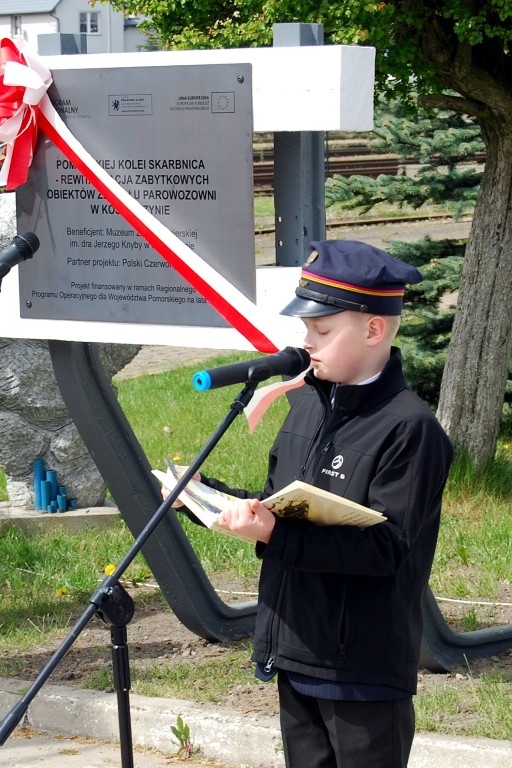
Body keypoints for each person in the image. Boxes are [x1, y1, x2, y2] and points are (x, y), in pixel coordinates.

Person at [168, 240, 454, 768]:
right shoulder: (306, 407)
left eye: (321, 330)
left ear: (373, 330)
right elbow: (282, 505)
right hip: (296, 648)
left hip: (361, 668)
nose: (306, 342)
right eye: (306, 328)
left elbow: (385, 550)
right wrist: (204, 497)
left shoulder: (410, 429)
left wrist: (273, 534)